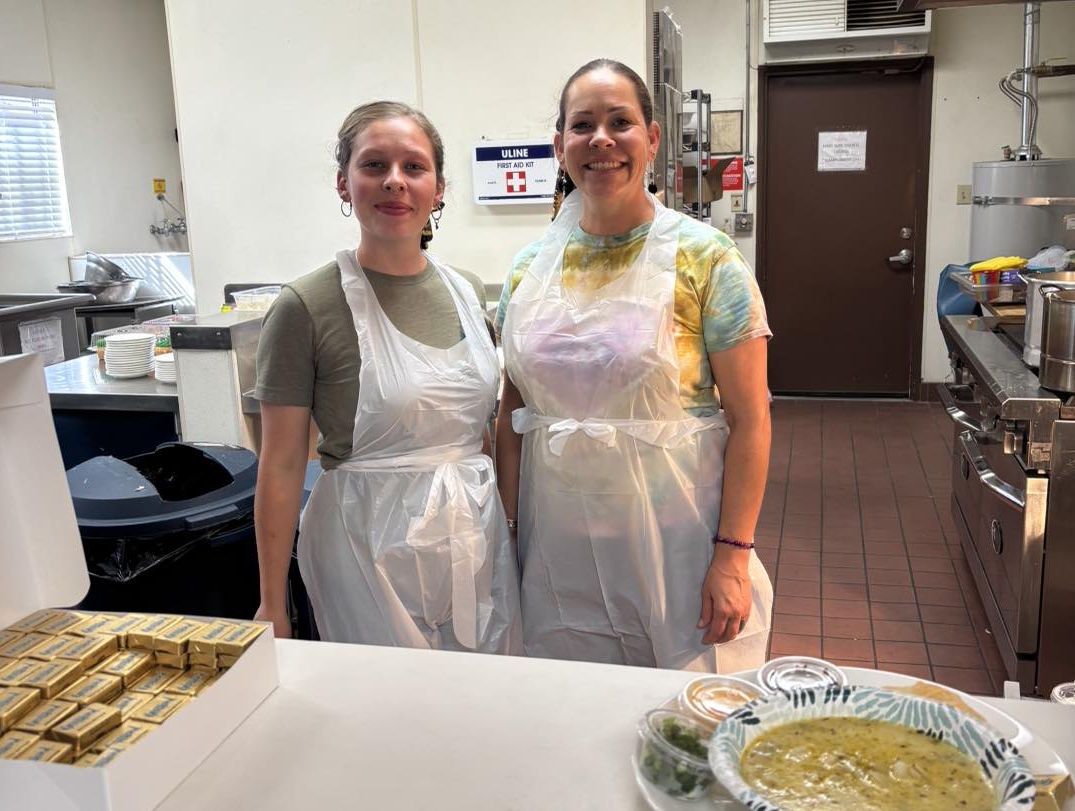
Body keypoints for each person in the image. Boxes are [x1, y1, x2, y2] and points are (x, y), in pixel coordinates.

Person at [495, 60, 773, 671]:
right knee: (569, 707)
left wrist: (731, 556)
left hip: (675, 541)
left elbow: (752, 418)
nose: (601, 139)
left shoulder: (707, 259)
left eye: (620, 122)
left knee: (678, 714)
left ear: (651, 138)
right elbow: (513, 411)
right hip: (556, 545)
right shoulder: (527, 270)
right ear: (560, 146)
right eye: (582, 124)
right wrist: (508, 530)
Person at [253, 101, 522, 654]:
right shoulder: (306, 305)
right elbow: (279, 464)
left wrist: (511, 530)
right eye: (374, 166)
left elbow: (483, 432)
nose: (394, 182)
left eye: (414, 167)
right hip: (365, 545)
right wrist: (271, 602)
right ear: (343, 184)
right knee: (385, 714)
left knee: (488, 701)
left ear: (439, 188)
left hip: (473, 533)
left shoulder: (468, 292)